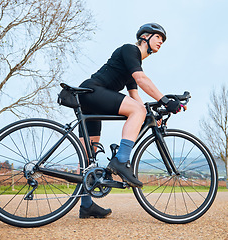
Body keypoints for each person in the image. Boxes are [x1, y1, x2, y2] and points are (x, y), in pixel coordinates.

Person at [78, 23, 182, 219]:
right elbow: (142, 80)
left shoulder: (130, 67)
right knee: (137, 111)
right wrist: (165, 101)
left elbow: (135, 96)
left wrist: (150, 116)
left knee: (87, 156)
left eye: (163, 39)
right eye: (158, 36)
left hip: (90, 100)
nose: (161, 41)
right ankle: (121, 161)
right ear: (145, 37)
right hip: (93, 92)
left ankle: (86, 206)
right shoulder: (129, 50)